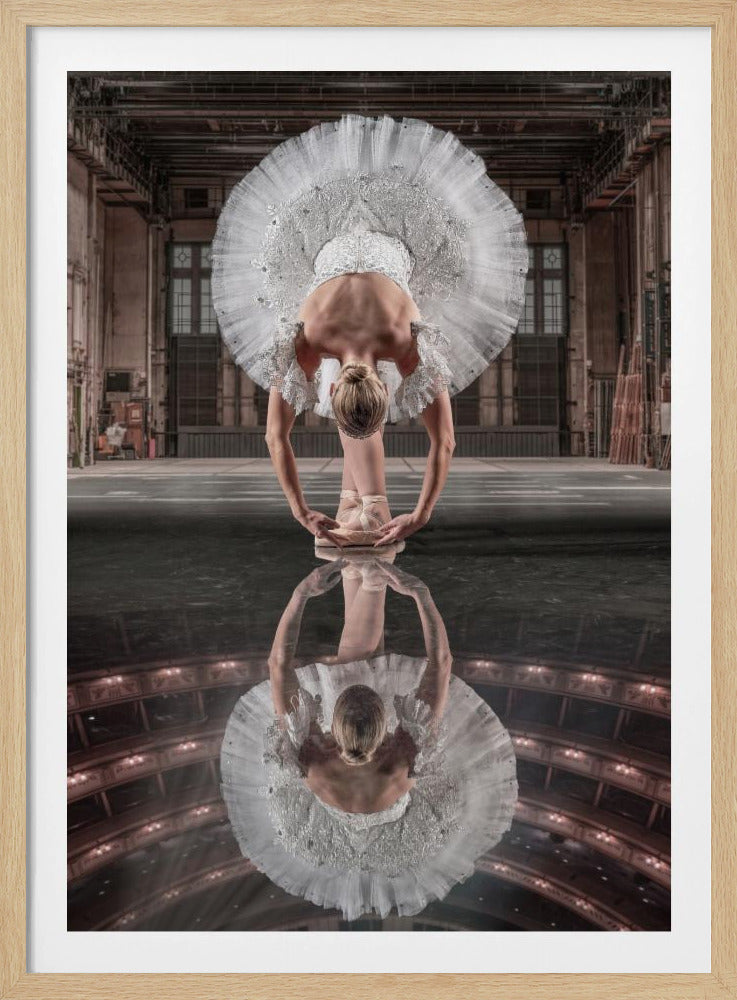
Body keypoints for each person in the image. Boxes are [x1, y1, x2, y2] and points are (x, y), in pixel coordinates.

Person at [211, 114, 528, 548]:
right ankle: (362, 503)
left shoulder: (337, 340)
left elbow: (275, 435)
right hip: (340, 248)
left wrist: (301, 512)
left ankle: (361, 503)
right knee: (360, 419)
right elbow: (445, 441)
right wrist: (419, 515)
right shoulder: (382, 341)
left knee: (347, 417)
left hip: (391, 248)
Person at [220, 559, 518, 921]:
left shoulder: (386, 763)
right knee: (360, 657)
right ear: (389, 731)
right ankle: (369, 576)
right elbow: (277, 663)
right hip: (390, 829)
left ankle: (369, 577)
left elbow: (442, 660)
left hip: (340, 821)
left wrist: (419, 594)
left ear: (329, 727)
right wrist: (302, 595)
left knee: (359, 658)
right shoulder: (363, 759)